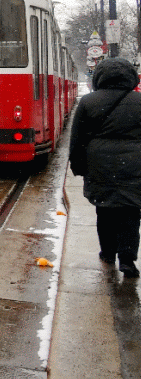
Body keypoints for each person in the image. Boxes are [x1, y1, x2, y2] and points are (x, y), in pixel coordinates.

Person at [69, 57, 141, 278]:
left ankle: (108, 252)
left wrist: (80, 167)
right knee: (131, 211)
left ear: (99, 77)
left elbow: (77, 140)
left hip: (100, 166)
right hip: (134, 166)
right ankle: (127, 259)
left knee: (105, 209)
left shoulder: (89, 102)